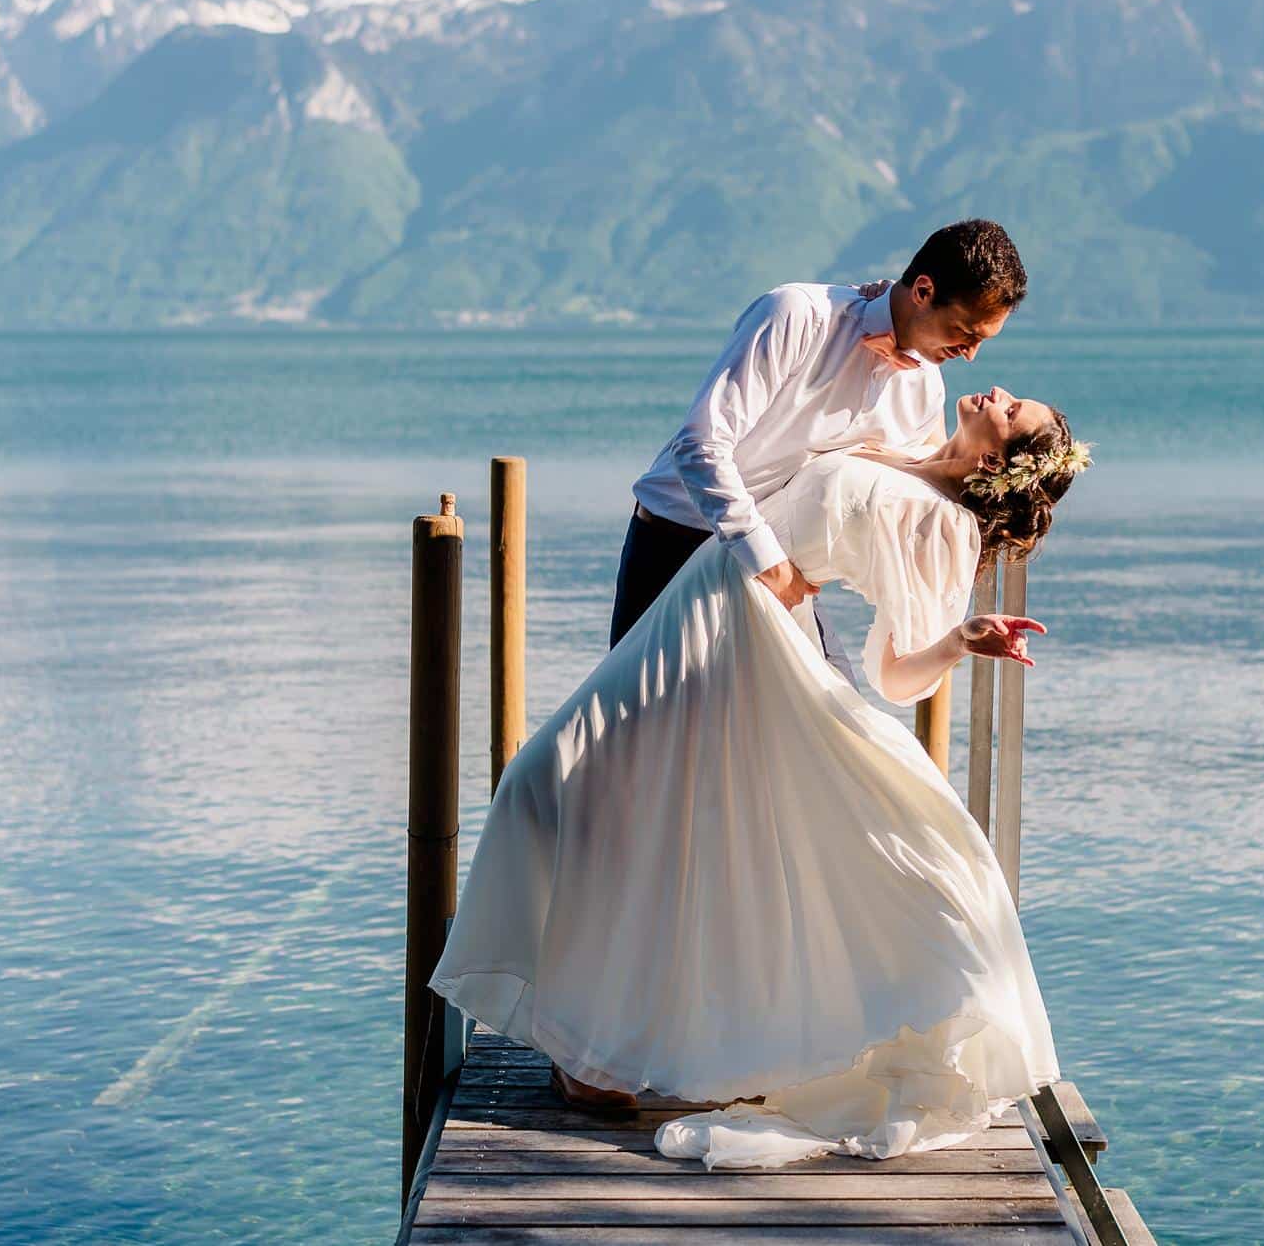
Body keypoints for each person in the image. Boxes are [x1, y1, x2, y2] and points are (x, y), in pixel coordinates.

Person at [430, 385, 1092, 1169]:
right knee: (586, 795)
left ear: (996, 457)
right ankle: (598, 1051)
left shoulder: (942, 522)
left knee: (558, 777)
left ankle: (595, 1055)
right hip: (703, 599)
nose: (1001, 393)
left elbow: (892, 668)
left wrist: (958, 639)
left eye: (1015, 412)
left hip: (743, 636)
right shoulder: (907, 446)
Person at [611, 219, 1030, 668]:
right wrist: (768, 563)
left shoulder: (924, 387)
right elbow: (701, 446)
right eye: (965, 332)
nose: (970, 354)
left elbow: (912, 487)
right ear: (923, 291)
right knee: (636, 730)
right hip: (676, 551)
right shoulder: (797, 315)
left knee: (835, 717)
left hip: (781, 574)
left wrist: (959, 629)